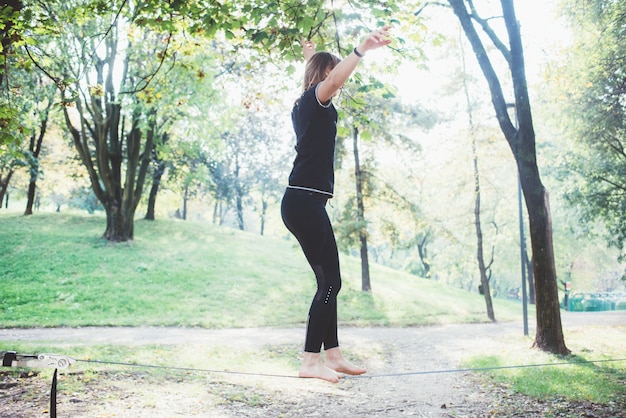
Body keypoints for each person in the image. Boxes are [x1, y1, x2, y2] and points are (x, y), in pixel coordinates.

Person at [281, 26, 392, 383]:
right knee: (331, 282)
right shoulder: (316, 99)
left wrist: (309, 57)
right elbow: (332, 79)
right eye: (335, 70)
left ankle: (333, 355)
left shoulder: (308, 103)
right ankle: (310, 360)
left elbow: (321, 79)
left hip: (304, 202)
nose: (340, 77)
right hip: (304, 202)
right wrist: (362, 49)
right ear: (326, 76)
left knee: (329, 280)